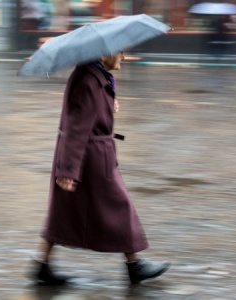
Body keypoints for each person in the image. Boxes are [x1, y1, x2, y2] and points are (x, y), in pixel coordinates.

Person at [29, 52, 170, 285]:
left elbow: (89, 114)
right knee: (119, 206)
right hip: (88, 159)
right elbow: (75, 126)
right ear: (105, 54)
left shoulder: (96, 77)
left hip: (92, 156)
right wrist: (68, 169)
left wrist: (107, 102)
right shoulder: (87, 80)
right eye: (121, 52)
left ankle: (42, 266)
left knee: (62, 212)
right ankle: (134, 265)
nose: (123, 57)